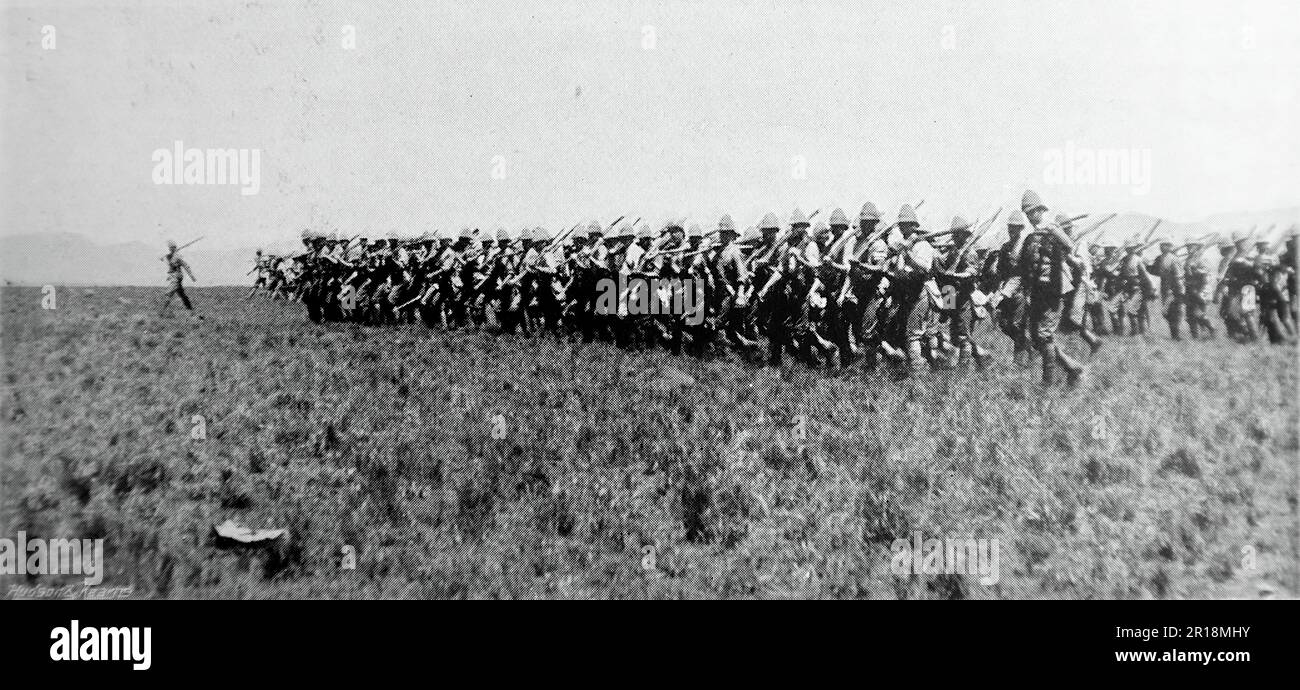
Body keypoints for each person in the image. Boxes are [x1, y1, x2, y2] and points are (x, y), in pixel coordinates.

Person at [161, 240, 202, 319]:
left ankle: (161, 313)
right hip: (173, 277)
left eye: (173, 247)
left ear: (175, 248)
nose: (172, 249)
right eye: (171, 248)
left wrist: (191, 275)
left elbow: (185, 265)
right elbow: (162, 259)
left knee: (168, 294)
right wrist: (164, 257)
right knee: (182, 296)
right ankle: (191, 312)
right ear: (169, 249)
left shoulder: (177, 256)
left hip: (176, 278)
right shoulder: (169, 256)